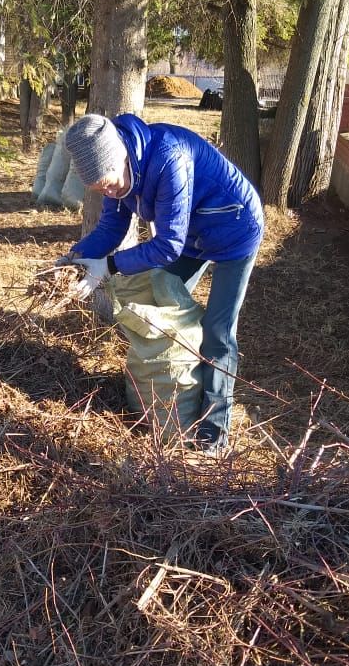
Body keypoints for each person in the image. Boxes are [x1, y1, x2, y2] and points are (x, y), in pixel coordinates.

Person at [59, 112, 264, 454]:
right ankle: (162, 389)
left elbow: (168, 245)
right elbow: (112, 228)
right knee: (158, 299)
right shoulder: (118, 172)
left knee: (217, 331)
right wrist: (75, 259)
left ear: (121, 156)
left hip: (234, 229)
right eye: (99, 189)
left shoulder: (170, 157)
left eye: (109, 183)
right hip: (192, 234)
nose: (108, 190)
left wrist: (108, 266)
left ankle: (214, 434)